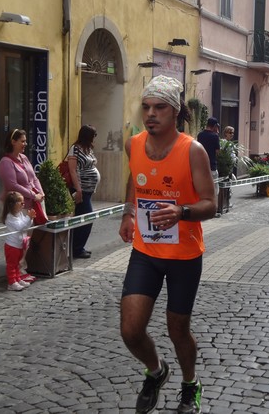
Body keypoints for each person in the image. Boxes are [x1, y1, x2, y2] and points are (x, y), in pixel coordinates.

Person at [119, 75, 216, 414]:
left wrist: (182, 212)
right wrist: (129, 212)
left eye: (159, 107)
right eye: (146, 107)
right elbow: (135, 176)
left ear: (175, 111)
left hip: (184, 256)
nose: (151, 113)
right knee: (130, 330)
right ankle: (157, 371)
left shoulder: (193, 150)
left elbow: (211, 203)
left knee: (178, 329)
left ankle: (190, 386)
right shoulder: (133, 144)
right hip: (145, 251)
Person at [0, 129, 43, 284]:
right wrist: (32, 194)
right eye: (22, 141)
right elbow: (12, 184)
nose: (25, 144)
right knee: (17, 240)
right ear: (13, 142)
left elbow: (34, 178)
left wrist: (40, 192)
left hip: (28, 203)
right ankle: (16, 271)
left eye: (25, 141)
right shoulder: (6, 162)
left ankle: (21, 269)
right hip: (15, 205)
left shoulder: (24, 158)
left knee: (25, 240)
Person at [67, 124, 100, 259]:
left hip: (88, 190)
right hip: (81, 190)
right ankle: (77, 249)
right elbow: (73, 170)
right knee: (86, 219)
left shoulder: (88, 149)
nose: (94, 138)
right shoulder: (75, 149)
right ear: (87, 136)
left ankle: (78, 247)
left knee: (83, 219)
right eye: (93, 135)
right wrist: (78, 189)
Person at [1, 191, 36, 291]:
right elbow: (20, 227)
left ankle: (17, 278)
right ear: (13, 204)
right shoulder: (10, 217)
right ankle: (12, 282)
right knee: (11, 265)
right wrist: (29, 218)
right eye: (21, 203)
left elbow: (26, 225)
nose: (23, 205)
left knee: (17, 264)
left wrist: (30, 218)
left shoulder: (19, 214)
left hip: (19, 244)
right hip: (12, 245)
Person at [197, 116, 220, 204]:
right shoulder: (215, 136)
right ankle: (214, 207)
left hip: (201, 166)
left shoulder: (200, 135)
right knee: (214, 187)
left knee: (202, 187)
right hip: (212, 165)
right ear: (214, 126)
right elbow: (218, 152)